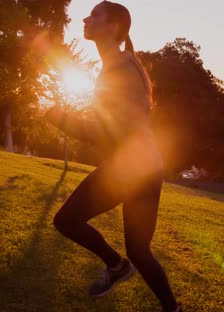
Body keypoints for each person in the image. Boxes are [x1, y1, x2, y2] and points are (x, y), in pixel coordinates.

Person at [44, 1, 181, 311]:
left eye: (95, 15)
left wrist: (60, 118)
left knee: (66, 220)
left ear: (114, 27)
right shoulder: (118, 64)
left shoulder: (120, 67)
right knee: (139, 249)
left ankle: (116, 266)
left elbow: (112, 131)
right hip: (146, 165)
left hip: (131, 167)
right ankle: (171, 308)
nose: (85, 18)